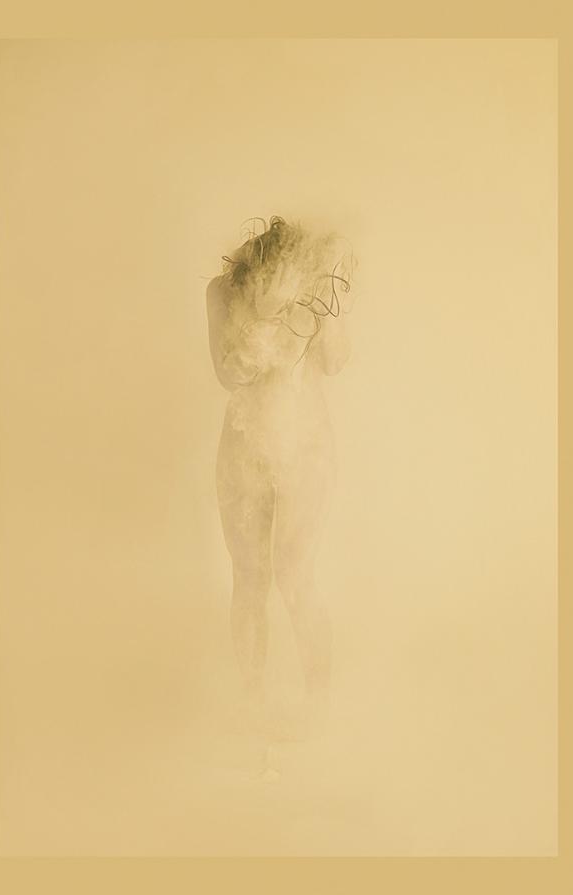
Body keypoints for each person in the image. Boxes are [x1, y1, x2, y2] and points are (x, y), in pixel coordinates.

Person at [206, 215, 355, 720]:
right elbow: (229, 373)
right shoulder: (223, 291)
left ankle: (320, 703)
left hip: (306, 451)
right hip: (243, 451)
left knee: (295, 577)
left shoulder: (317, 285)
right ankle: (251, 702)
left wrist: (326, 306)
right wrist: (266, 313)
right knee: (249, 577)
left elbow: (335, 361)